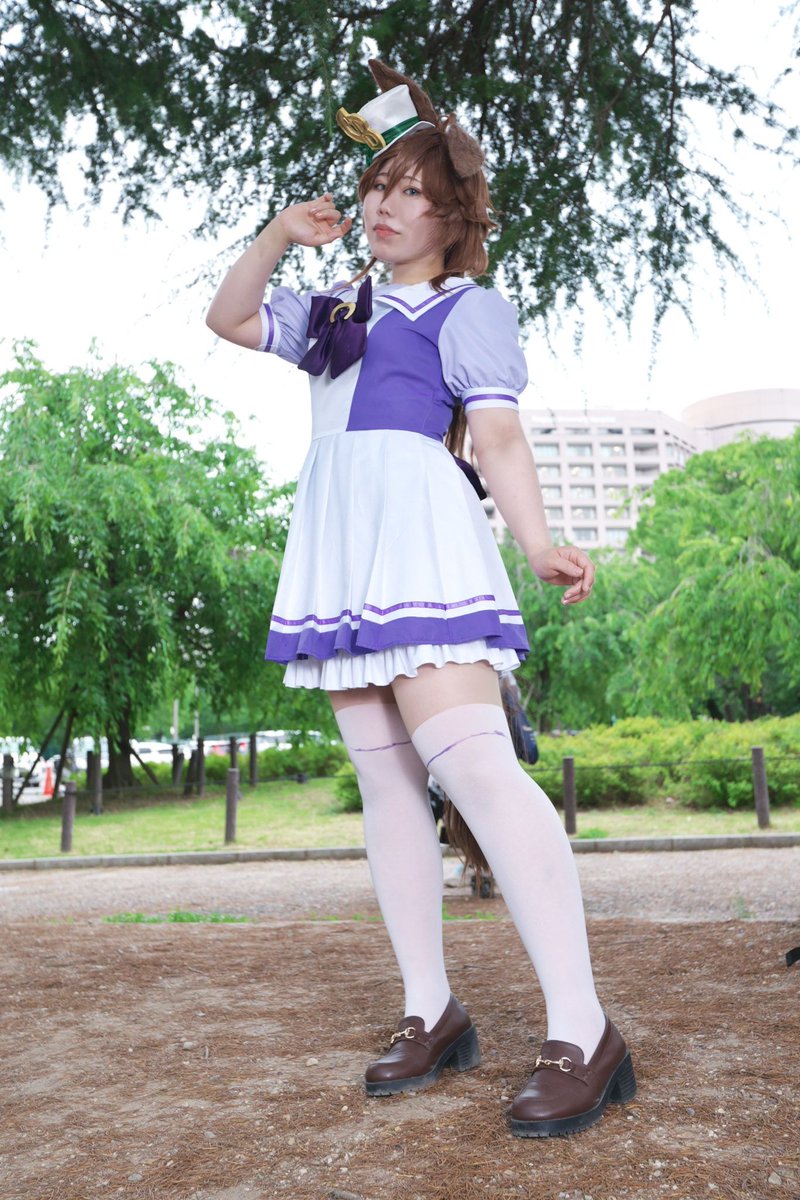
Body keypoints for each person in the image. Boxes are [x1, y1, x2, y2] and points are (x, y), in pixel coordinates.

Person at [206, 59, 635, 1137]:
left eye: (410, 192)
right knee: (389, 788)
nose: (384, 205)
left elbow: (498, 439)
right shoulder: (333, 308)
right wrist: (277, 236)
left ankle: (583, 1029)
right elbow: (228, 316)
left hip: (422, 548)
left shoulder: (466, 308)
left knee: (477, 771)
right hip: (343, 554)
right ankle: (430, 1010)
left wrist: (537, 543)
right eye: (376, 187)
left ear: (452, 217)